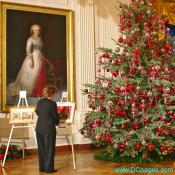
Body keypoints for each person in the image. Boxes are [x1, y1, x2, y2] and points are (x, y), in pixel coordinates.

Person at [7, 24, 46, 101]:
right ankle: (33, 92)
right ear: (32, 31)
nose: (37, 31)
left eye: (38, 30)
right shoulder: (30, 39)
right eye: (35, 30)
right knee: (32, 76)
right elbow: (28, 50)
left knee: (40, 75)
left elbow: (40, 49)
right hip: (33, 58)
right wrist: (31, 60)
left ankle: (39, 92)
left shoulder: (40, 38)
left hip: (40, 58)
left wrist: (42, 56)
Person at [35, 85, 59, 173]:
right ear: (52, 93)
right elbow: (55, 117)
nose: (55, 95)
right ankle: (49, 169)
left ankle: (42, 167)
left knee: (41, 149)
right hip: (49, 129)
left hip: (39, 128)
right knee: (49, 149)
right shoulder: (52, 103)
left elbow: (37, 112)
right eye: (55, 93)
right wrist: (57, 122)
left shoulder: (40, 102)